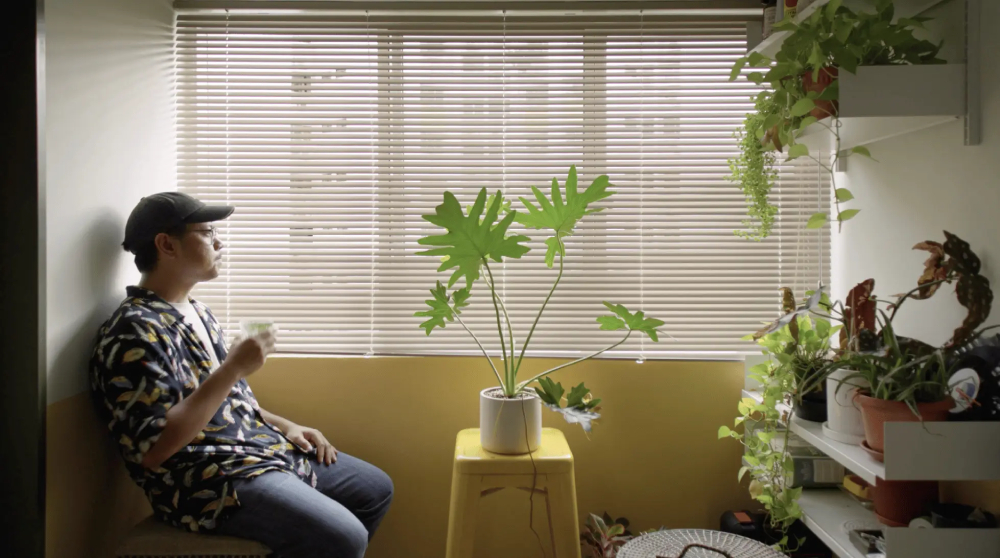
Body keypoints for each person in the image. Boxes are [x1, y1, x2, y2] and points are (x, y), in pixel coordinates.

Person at [90, 192, 392, 558]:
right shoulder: (133, 330)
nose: (220, 243)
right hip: (208, 477)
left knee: (374, 488)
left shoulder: (198, 312)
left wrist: (285, 425)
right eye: (207, 233)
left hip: (255, 448)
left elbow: (226, 402)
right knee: (346, 536)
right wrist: (233, 367)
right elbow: (154, 450)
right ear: (167, 245)